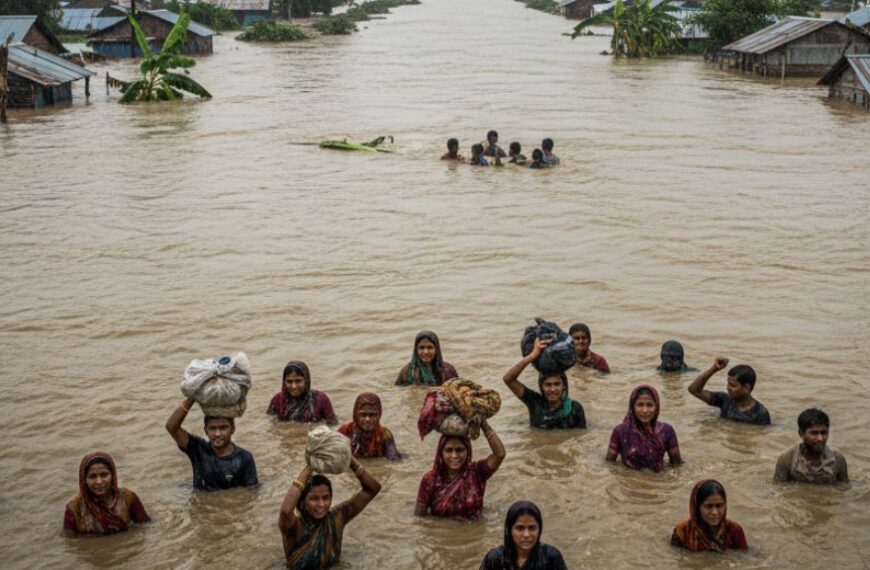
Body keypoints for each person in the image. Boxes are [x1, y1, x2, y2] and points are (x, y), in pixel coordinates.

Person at [279, 458, 381, 569]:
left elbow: (372, 489)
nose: (321, 504)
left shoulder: (337, 517)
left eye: (326, 498)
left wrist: (349, 459)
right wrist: (310, 467)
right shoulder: (295, 528)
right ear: (303, 502)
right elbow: (286, 511)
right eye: (314, 499)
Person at [415, 421, 506, 520]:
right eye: (449, 450)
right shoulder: (430, 480)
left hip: (472, 533)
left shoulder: (477, 472)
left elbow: (499, 454)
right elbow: (420, 519)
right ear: (441, 453)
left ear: (468, 450)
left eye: (459, 450)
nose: (454, 456)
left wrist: (484, 425)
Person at [166, 398, 259, 491]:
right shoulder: (198, 449)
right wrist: (191, 399)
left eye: (223, 428)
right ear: (205, 430)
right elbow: (171, 427)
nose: (217, 434)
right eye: (212, 428)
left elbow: (251, 493)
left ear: (232, 429)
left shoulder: (244, 458)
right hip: (201, 504)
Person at [503, 338, 586, 429]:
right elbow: (508, 379)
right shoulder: (535, 403)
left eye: (557, 384)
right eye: (548, 385)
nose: (552, 389)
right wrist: (532, 355)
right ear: (541, 386)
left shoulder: (574, 409)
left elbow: (582, 437)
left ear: (564, 386)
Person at [63, 452, 150, 537]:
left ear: (113, 476)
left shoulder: (128, 498)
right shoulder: (75, 508)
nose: (99, 482)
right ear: (84, 480)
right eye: (92, 476)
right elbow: (70, 542)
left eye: (104, 475)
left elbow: (145, 526)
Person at [606, 385, 681, 472]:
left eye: (649, 405)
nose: (645, 410)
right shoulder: (620, 431)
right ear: (632, 407)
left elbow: (677, 465)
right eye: (640, 405)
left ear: (656, 407)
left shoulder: (666, 431)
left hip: (658, 480)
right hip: (630, 481)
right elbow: (609, 464)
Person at [480, 501, 568, 570]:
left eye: (532, 528)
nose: (526, 534)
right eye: (520, 528)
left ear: (539, 530)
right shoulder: (495, 559)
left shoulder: (551, 558)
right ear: (508, 530)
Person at [774, 408, 848, 484]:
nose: (820, 438)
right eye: (814, 433)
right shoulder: (787, 460)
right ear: (801, 434)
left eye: (824, 433)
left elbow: (843, 490)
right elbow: (778, 490)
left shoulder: (838, 460)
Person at [671, 479, 748, 552]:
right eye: (708, 506)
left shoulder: (735, 531)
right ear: (697, 507)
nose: (714, 512)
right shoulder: (683, 531)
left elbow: (743, 557)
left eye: (719, 506)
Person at [688, 357, 770, 425]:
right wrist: (714, 369)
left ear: (746, 387)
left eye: (733, 385)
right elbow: (694, 390)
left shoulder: (760, 414)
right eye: (728, 383)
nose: (728, 387)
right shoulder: (724, 400)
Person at [268, 361, 338, 424]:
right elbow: (270, 422)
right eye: (289, 381)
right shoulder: (277, 400)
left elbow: (333, 424)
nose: (294, 386)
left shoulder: (320, 399)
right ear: (284, 382)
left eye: (298, 381)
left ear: (306, 381)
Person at [337, 393, 401, 461]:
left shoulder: (385, 434)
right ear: (356, 415)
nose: (368, 419)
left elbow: (394, 460)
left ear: (379, 415)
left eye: (372, 415)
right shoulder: (344, 432)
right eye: (363, 415)